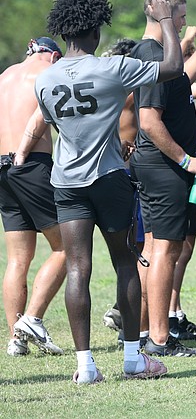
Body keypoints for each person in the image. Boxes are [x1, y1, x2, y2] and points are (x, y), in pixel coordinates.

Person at [21, 0, 180, 383]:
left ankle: (85, 366)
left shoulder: (44, 79)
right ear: (94, 30)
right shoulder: (112, 68)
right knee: (125, 263)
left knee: (77, 268)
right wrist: (163, 21)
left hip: (66, 182)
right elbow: (173, 66)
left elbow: (53, 123)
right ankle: (131, 359)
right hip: (109, 179)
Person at [130, 0, 196, 357]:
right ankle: (159, 338)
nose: (184, 21)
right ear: (162, 17)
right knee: (166, 250)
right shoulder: (150, 56)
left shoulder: (161, 58)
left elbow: (182, 78)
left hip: (161, 166)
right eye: (179, 15)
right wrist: (186, 160)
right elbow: (149, 121)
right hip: (164, 167)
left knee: (153, 249)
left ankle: (139, 332)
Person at [1, 37, 66, 357]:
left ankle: (15, 339)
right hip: (30, 164)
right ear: (53, 55)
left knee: (17, 259)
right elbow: (46, 116)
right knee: (68, 246)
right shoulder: (47, 74)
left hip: (2, 169)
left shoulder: (5, 76)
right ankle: (32, 319)